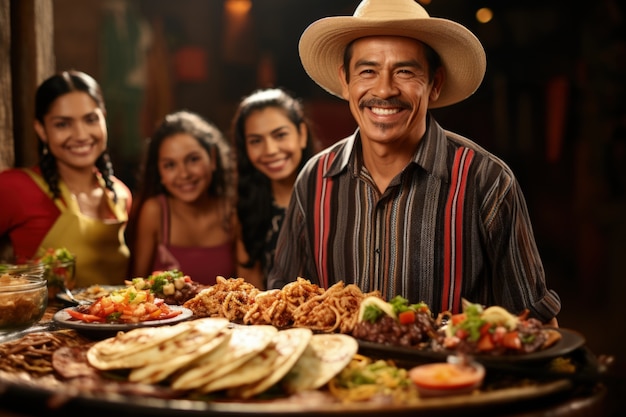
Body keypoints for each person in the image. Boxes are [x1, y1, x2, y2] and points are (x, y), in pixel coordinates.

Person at [267, 0, 561, 324]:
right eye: (367, 71)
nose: (384, 89)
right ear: (344, 81)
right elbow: (282, 305)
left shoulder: (487, 181)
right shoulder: (315, 179)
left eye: (405, 71)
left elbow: (532, 322)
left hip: (449, 374)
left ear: (434, 84)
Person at [0, 70, 132, 287]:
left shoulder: (120, 195)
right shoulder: (14, 188)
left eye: (91, 119)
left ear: (103, 119)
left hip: (120, 318)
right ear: (41, 130)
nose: (81, 135)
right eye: (63, 124)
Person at [128, 110, 237, 285]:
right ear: (159, 172)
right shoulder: (154, 211)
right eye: (170, 165)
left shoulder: (232, 211)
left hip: (222, 313)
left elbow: (249, 284)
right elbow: (137, 286)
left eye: (193, 159)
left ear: (213, 158)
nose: (184, 174)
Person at [231, 88, 318, 289]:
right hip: (269, 318)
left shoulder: (334, 196)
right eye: (256, 141)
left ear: (302, 134)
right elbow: (250, 290)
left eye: (280, 135)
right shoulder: (247, 208)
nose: (270, 150)